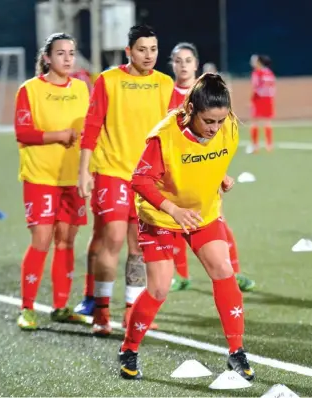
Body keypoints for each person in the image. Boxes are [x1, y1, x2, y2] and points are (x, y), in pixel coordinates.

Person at [118, 73, 254, 381]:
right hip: (162, 217)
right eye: (209, 121)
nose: (215, 128)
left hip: (202, 214)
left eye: (220, 121)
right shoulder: (164, 136)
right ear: (190, 109)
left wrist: (219, 176)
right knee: (160, 287)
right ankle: (129, 349)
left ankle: (236, 351)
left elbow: (211, 156)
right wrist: (173, 209)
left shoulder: (228, 124)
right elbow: (139, 180)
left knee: (223, 269)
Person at [75, 25, 176, 336]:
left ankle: (132, 309)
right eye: (142, 49)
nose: (149, 55)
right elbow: (91, 127)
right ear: (128, 51)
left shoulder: (165, 83)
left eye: (154, 49)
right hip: (112, 172)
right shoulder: (108, 80)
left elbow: (171, 134)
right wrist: (83, 171)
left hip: (146, 178)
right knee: (114, 238)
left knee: (137, 246)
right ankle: (101, 311)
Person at [14, 32, 90, 330]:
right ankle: (28, 308)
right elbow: (23, 133)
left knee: (67, 241)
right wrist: (59, 136)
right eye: (61, 53)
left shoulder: (83, 89)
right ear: (47, 58)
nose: (67, 58)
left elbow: (92, 130)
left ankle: (60, 306)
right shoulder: (30, 90)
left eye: (71, 52)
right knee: (42, 240)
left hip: (73, 179)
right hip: (40, 177)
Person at [168, 42, 255, 292]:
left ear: (196, 64)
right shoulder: (166, 95)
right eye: (178, 61)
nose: (183, 66)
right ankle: (180, 276)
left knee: (217, 222)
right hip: (176, 173)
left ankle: (234, 273)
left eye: (188, 60)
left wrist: (220, 171)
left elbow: (221, 133)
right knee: (176, 224)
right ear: (172, 65)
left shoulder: (209, 93)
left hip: (206, 171)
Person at [249, 54, 275, 153]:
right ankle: (269, 145)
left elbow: (255, 87)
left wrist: (251, 101)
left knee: (254, 122)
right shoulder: (269, 73)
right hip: (268, 99)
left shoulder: (257, 73)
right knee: (267, 122)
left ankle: (255, 146)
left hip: (259, 99)